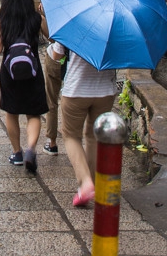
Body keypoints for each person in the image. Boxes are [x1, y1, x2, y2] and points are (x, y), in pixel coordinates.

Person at [47, 40, 119, 206]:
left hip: (76, 89)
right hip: (105, 91)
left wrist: (51, 48)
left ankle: (85, 183)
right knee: (94, 136)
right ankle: (90, 185)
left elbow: (56, 55)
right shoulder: (113, 29)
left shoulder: (74, 24)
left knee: (71, 135)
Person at [0, 0, 49, 174]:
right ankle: (31, 148)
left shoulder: (3, 20)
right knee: (33, 113)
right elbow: (51, 36)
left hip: (10, 73)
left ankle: (17, 153)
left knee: (12, 112)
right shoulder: (35, 19)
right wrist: (42, 15)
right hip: (33, 70)